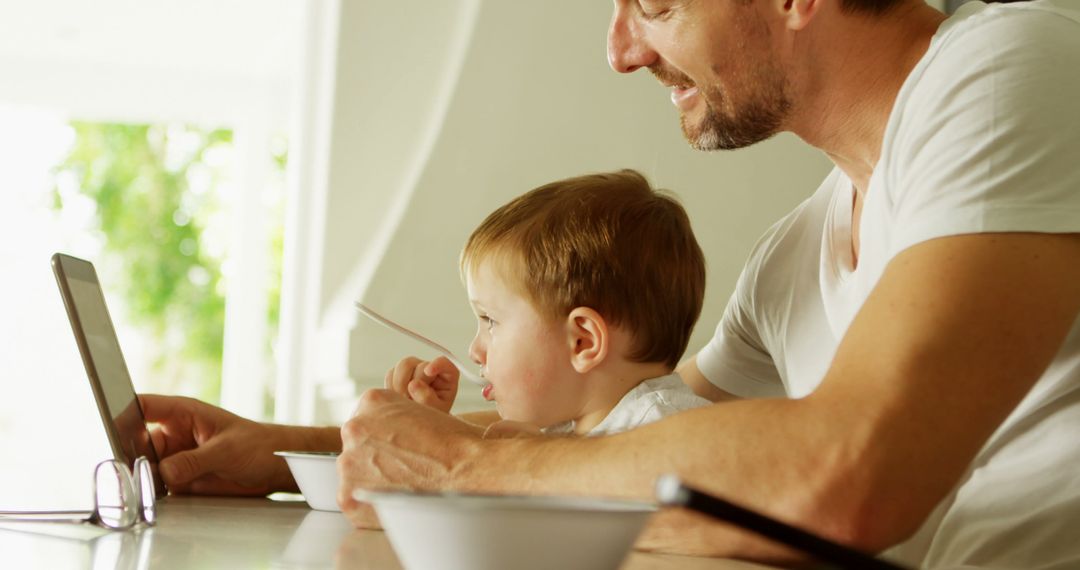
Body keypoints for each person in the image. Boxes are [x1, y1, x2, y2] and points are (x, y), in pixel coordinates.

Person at [139, 0, 1080, 566]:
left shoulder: (1009, 67)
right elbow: (630, 429)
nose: (622, 49)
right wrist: (302, 453)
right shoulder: (803, 246)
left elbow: (852, 475)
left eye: (659, 1)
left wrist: (462, 469)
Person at [385, 170, 711, 437]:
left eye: (491, 321)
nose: (474, 350)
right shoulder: (565, 431)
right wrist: (432, 429)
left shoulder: (670, 432)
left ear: (583, 341)